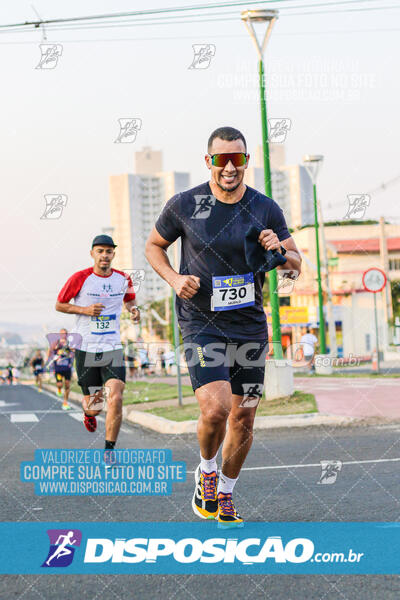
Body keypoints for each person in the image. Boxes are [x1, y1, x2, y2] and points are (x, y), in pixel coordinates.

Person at [145, 126, 301, 528]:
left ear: (246, 161)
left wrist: (279, 249)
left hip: (249, 324)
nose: (229, 167)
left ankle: (226, 495)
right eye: (221, 159)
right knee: (217, 408)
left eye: (237, 159)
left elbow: (296, 264)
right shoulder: (185, 204)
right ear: (208, 161)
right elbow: (154, 246)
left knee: (244, 418)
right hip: (201, 321)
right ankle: (207, 471)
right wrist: (175, 280)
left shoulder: (265, 208)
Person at [55, 234, 140, 460]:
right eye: (100, 251)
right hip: (86, 348)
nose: (105, 255)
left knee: (116, 396)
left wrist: (133, 310)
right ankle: (89, 414)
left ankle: (109, 450)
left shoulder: (122, 278)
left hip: (112, 346)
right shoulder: (80, 278)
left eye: (109, 251)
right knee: (95, 406)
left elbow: (130, 299)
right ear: (92, 253)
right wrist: (84, 310)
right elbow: (60, 304)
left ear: (114, 254)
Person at [47, 329, 75, 410]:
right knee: (60, 384)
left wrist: (71, 353)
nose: (64, 335)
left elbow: (74, 351)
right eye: (62, 333)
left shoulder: (69, 343)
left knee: (67, 385)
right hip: (58, 367)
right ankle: (59, 389)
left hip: (67, 367)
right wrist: (52, 358)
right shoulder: (56, 343)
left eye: (65, 333)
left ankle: (65, 403)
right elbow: (50, 351)